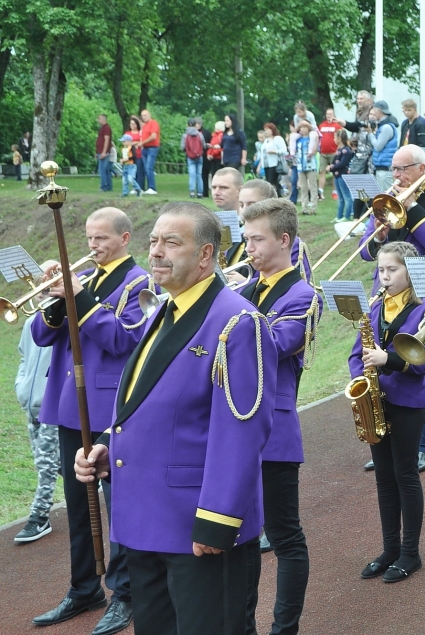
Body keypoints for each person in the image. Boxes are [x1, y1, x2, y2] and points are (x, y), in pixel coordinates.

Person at [74, 201, 277, 635]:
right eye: (153, 241)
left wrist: (217, 521)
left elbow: (241, 434)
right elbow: (147, 403)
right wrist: (109, 447)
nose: (156, 252)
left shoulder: (238, 323)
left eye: (172, 243)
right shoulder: (164, 310)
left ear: (205, 254)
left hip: (197, 530)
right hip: (146, 523)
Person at [32, 208, 152, 635]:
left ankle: (125, 593)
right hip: (68, 405)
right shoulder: (86, 280)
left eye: (101, 238)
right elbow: (40, 335)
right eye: (88, 238)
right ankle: (84, 586)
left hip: (108, 410)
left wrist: (79, 297)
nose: (92, 246)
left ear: (124, 238)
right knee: (78, 505)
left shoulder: (140, 282)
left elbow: (125, 338)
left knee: (117, 506)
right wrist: (54, 298)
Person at [240, 199, 320, 635]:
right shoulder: (247, 290)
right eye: (246, 238)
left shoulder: (303, 295)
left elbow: (269, 345)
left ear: (284, 240)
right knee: (241, 536)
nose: (247, 247)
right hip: (234, 429)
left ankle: (284, 628)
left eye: (256, 239)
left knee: (285, 534)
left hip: (274, 429)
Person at [360, 144, 425, 473]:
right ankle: (386, 439)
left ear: (421, 168)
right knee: (379, 363)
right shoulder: (384, 203)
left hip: (419, 293)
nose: (396, 176)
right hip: (384, 293)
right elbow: (364, 253)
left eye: (402, 169)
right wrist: (379, 233)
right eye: (393, 170)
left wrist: (412, 208)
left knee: (415, 365)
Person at [349, 241, 425, 583]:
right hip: (375, 401)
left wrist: (391, 361)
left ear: (409, 272)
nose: (384, 277)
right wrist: (362, 380)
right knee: (384, 477)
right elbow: (357, 353)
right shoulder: (374, 307)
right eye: (381, 271)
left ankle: (410, 553)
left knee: (405, 474)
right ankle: (389, 548)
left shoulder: (424, 309)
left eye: (392, 270)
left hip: (407, 404)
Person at [14, 273, 57, 544]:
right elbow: (22, 357)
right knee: (53, 462)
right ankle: (97, 484)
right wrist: (21, 385)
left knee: (45, 464)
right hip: (29, 405)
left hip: (51, 405)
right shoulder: (31, 322)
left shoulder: (62, 322)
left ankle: (39, 516)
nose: (39, 289)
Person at [239, 180, 312, 280]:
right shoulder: (241, 237)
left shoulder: (294, 244)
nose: (244, 211)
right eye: (241, 205)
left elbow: (294, 281)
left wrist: (244, 284)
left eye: (251, 205)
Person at [211, 167, 248, 267]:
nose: (216, 192)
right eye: (214, 187)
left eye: (223, 187)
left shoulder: (250, 225)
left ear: (239, 190)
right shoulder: (209, 222)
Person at [368, 102, 399, 188]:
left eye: (374, 110)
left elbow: (378, 147)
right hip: (381, 169)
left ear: (379, 111)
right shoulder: (384, 126)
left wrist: (370, 133)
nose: (373, 113)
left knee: (385, 198)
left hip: (385, 170)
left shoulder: (386, 127)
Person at [293, 121, 319, 215]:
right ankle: (304, 207)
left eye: (305, 127)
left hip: (311, 165)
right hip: (300, 166)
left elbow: (315, 151)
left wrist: (316, 142)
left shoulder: (312, 138)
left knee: (313, 186)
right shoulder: (298, 139)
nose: (303, 129)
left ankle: (313, 207)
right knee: (303, 187)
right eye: (301, 127)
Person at [329, 130, 355, 222]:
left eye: (335, 137)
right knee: (340, 197)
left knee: (346, 196)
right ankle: (339, 216)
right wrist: (331, 166)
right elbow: (335, 161)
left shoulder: (346, 151)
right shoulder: (339, 150)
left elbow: (342, 164)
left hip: (343, 176)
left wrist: (331, 168)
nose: (334, 139)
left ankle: (347, 216)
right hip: (337, 176)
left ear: (339, 139)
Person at [318, 108, 344, 197]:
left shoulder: (337, 126)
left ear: (333, 115)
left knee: (334, 172)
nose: (328, 115)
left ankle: (335, 192)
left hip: (334, 152)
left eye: (330, 114)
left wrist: (338, 149)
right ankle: (320, 191)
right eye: (327, 114)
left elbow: (342, 137)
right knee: (322, 171)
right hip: (323, 152)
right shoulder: (322, 125)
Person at [260, 122, 288, 198]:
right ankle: (278, 197)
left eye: (267, 130)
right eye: (265, 130)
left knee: (271, 182)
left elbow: (284, 150)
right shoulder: (266, 140)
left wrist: (275, 151)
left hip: (274, 163)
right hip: (266, 164)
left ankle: (276, 197)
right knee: (271, 182)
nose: (266, 131)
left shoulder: (277, 139)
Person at [181, 118, 206, 199]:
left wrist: (188, 150)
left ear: (187, 125)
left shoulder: (185, 135)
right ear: (196, 125)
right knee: (199, 175)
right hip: (199, 157)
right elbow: (204, 146)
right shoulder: (200, 134)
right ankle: (200, 193)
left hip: (190, 157)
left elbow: (182, 147)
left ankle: (192, 192)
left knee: (192, 175)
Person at [139, 109, 160, 194]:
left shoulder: (153, 123)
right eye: (142, 116)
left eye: (145, 115)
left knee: (149, 167)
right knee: (145, 168)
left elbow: (153, 136)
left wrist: (142, 142)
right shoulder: (145, 125)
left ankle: (152, 187)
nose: (143, 117)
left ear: (149, 115)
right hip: (145, 148)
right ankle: (148, 187)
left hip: (152, 147)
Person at [195, 117, 214, 198]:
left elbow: (211, 144)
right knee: (199, 174)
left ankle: (205, 192)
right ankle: (201, 191)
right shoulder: (194, 133)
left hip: (205, 156)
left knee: (204, 174)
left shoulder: (206, 133)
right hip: (198, 155)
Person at [97, 114, 113, 192]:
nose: (98, 120)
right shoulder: (102, 128)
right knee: (105, 170)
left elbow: (107, 140)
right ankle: (109, 186)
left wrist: (104, 152)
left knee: (102, 169)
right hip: (100, 151)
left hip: (104, 152)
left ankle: (104, 186)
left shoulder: (106, 128)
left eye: (99, 119)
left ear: (104, 119)